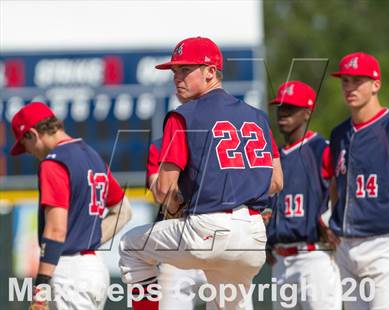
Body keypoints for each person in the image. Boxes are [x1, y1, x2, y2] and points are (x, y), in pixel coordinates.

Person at [119, 36, 283, 310]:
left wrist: (177, 200)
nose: (177, 77)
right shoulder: (257, 116)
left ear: (210, 72)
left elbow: (163, 190)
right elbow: (277, 182)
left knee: (130, 246)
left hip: (208, 230)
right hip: (253, 236)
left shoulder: (184, 116)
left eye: (185, 70)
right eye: (175, 72)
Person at [10, 102, 132, 310]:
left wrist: (41, 288)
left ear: (33, 134)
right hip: (94, 269)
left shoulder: (54, 163)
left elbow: (56, 230)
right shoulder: (92, 155)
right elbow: (124, 210)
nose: (28, 152)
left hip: (69, 271)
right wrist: (87, 239)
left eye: (25, 144)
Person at [326, 52, 389, 309]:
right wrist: (334, 220)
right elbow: (337, 181)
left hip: (386, 246)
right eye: (345, 80)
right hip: (346, 247)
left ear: (376, 85)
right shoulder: (339, 134)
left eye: (358, 80)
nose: (350, 87)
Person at [266, 81, 341, 310]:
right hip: (280, 260)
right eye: (280, 106)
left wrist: (331, 219)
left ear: (307, 112)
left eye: (291, 107)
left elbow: (346, 185)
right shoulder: (273, 158)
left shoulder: (322, 149)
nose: (283, 112)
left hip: (315, 256)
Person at [146, 138, 208, 310]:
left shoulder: (218, 142)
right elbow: (160, 193)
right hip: (178, 251)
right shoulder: (161, 145)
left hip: (218, 245)